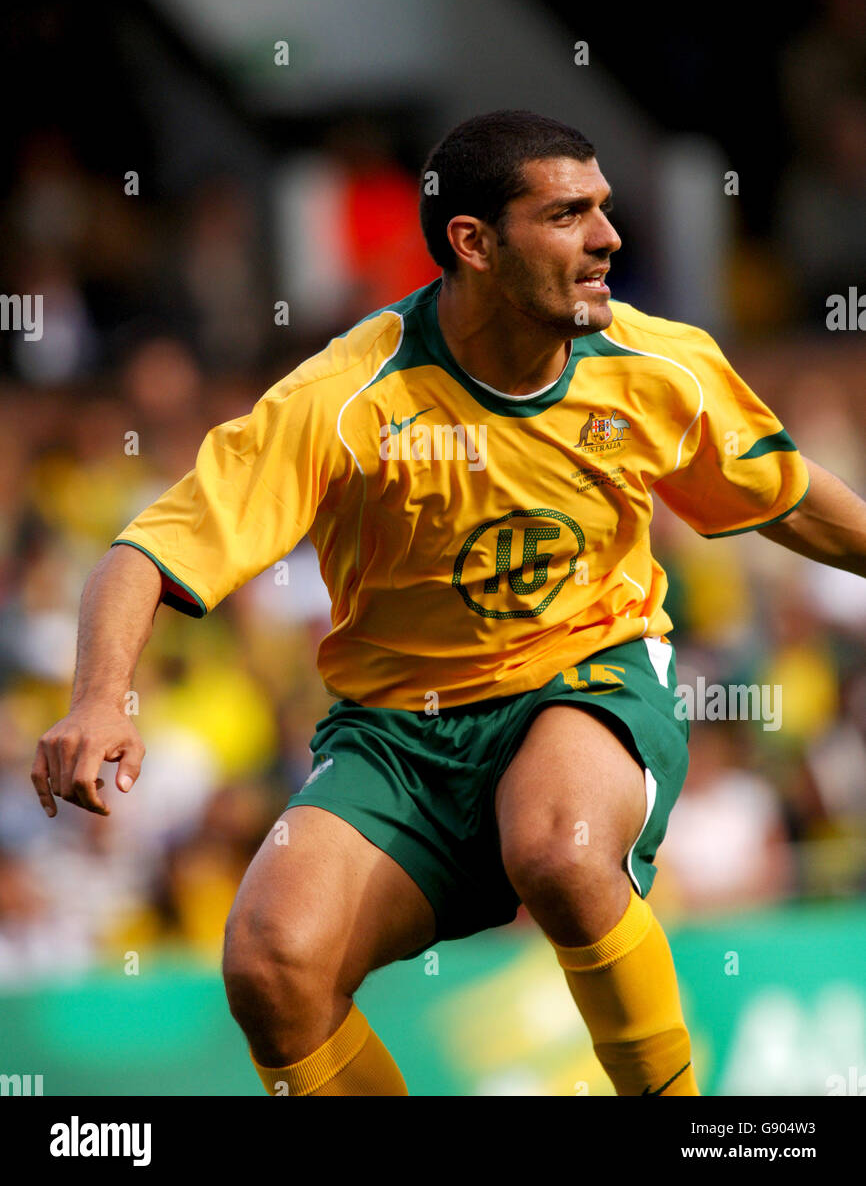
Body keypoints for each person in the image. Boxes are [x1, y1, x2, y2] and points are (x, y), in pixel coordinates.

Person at [31, 110, 866, 1097]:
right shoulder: (348, 395)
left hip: (585, 678)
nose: (607, 237)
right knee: (271, 964)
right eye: (566, 215)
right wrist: (96, 699)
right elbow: (143, 552)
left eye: (601, 209)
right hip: (398, 740)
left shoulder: (653, 365)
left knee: (559, 849)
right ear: (472, 242)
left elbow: (783, 494)